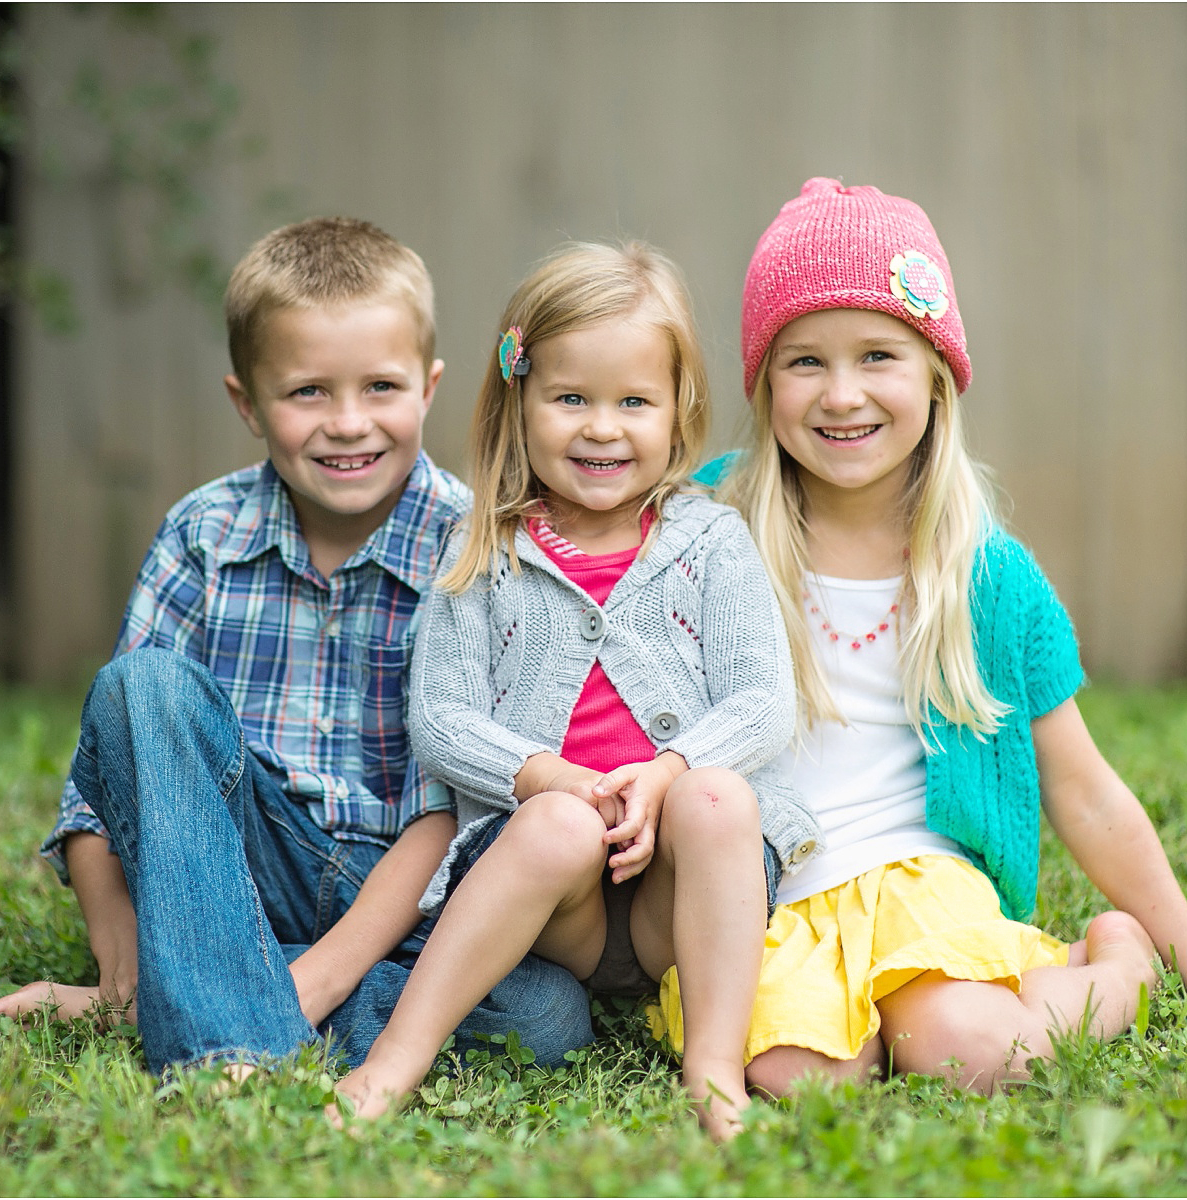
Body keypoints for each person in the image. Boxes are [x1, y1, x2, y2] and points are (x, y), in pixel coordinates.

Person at [654, 178, 1187, 1097]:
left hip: (924, 881)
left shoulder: (991, 578)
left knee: (971, 1050)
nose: (842, 395)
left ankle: (1116, 963)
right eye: (804, 361)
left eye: (878, 354)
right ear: (762, 379)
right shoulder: (709, 525)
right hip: (771, 894)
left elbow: (1088, 797)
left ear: (937, 369)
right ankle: (865, 1027)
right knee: (800, 1076)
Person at [0, 216, 592, 1079]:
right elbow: (101, 797)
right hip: (232, 861)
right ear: (246, 403)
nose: (348, 423)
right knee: (141, 687)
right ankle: (207, 1033)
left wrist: (314, 979)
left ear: (429, 386)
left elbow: (448, 815)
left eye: (381, 387)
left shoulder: (473, 546)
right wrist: (121, 970)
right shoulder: (204, 533)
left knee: (546, 1018)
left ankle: (220, 990)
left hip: (402, 894)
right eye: (308, 392)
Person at [331, 242, 820, 1139]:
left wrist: (668, 769)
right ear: (518, 401)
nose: (602, 428)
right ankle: (393, 1060)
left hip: (683, 896)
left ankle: (713, 1071)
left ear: (681, 413)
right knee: (554, 823)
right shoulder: (484, 549)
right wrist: (551, 779)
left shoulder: (711, 543)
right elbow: (439, 719)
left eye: (635, 402)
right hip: (559, 904)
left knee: (719, 794)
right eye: (571, 399)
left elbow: (762, 702)